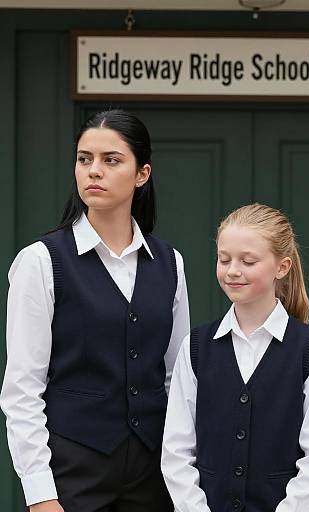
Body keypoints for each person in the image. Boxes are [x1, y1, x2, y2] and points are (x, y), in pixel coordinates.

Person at [0, 109, 190, 512]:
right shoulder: (40, 261)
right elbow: (22, 390)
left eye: (111, 160)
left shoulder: (170, 263)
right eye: (85, 159)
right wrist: (41, 495)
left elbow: (176, 379)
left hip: (153, 476)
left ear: (142, 174)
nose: (94, 171)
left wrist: (181, 472)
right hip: (73, 474)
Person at [161, 203, 309, 512]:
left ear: (281, 267)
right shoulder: (197, 347)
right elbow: (176, 450)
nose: (232, 271)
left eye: (248, 261)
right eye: (224, 259)